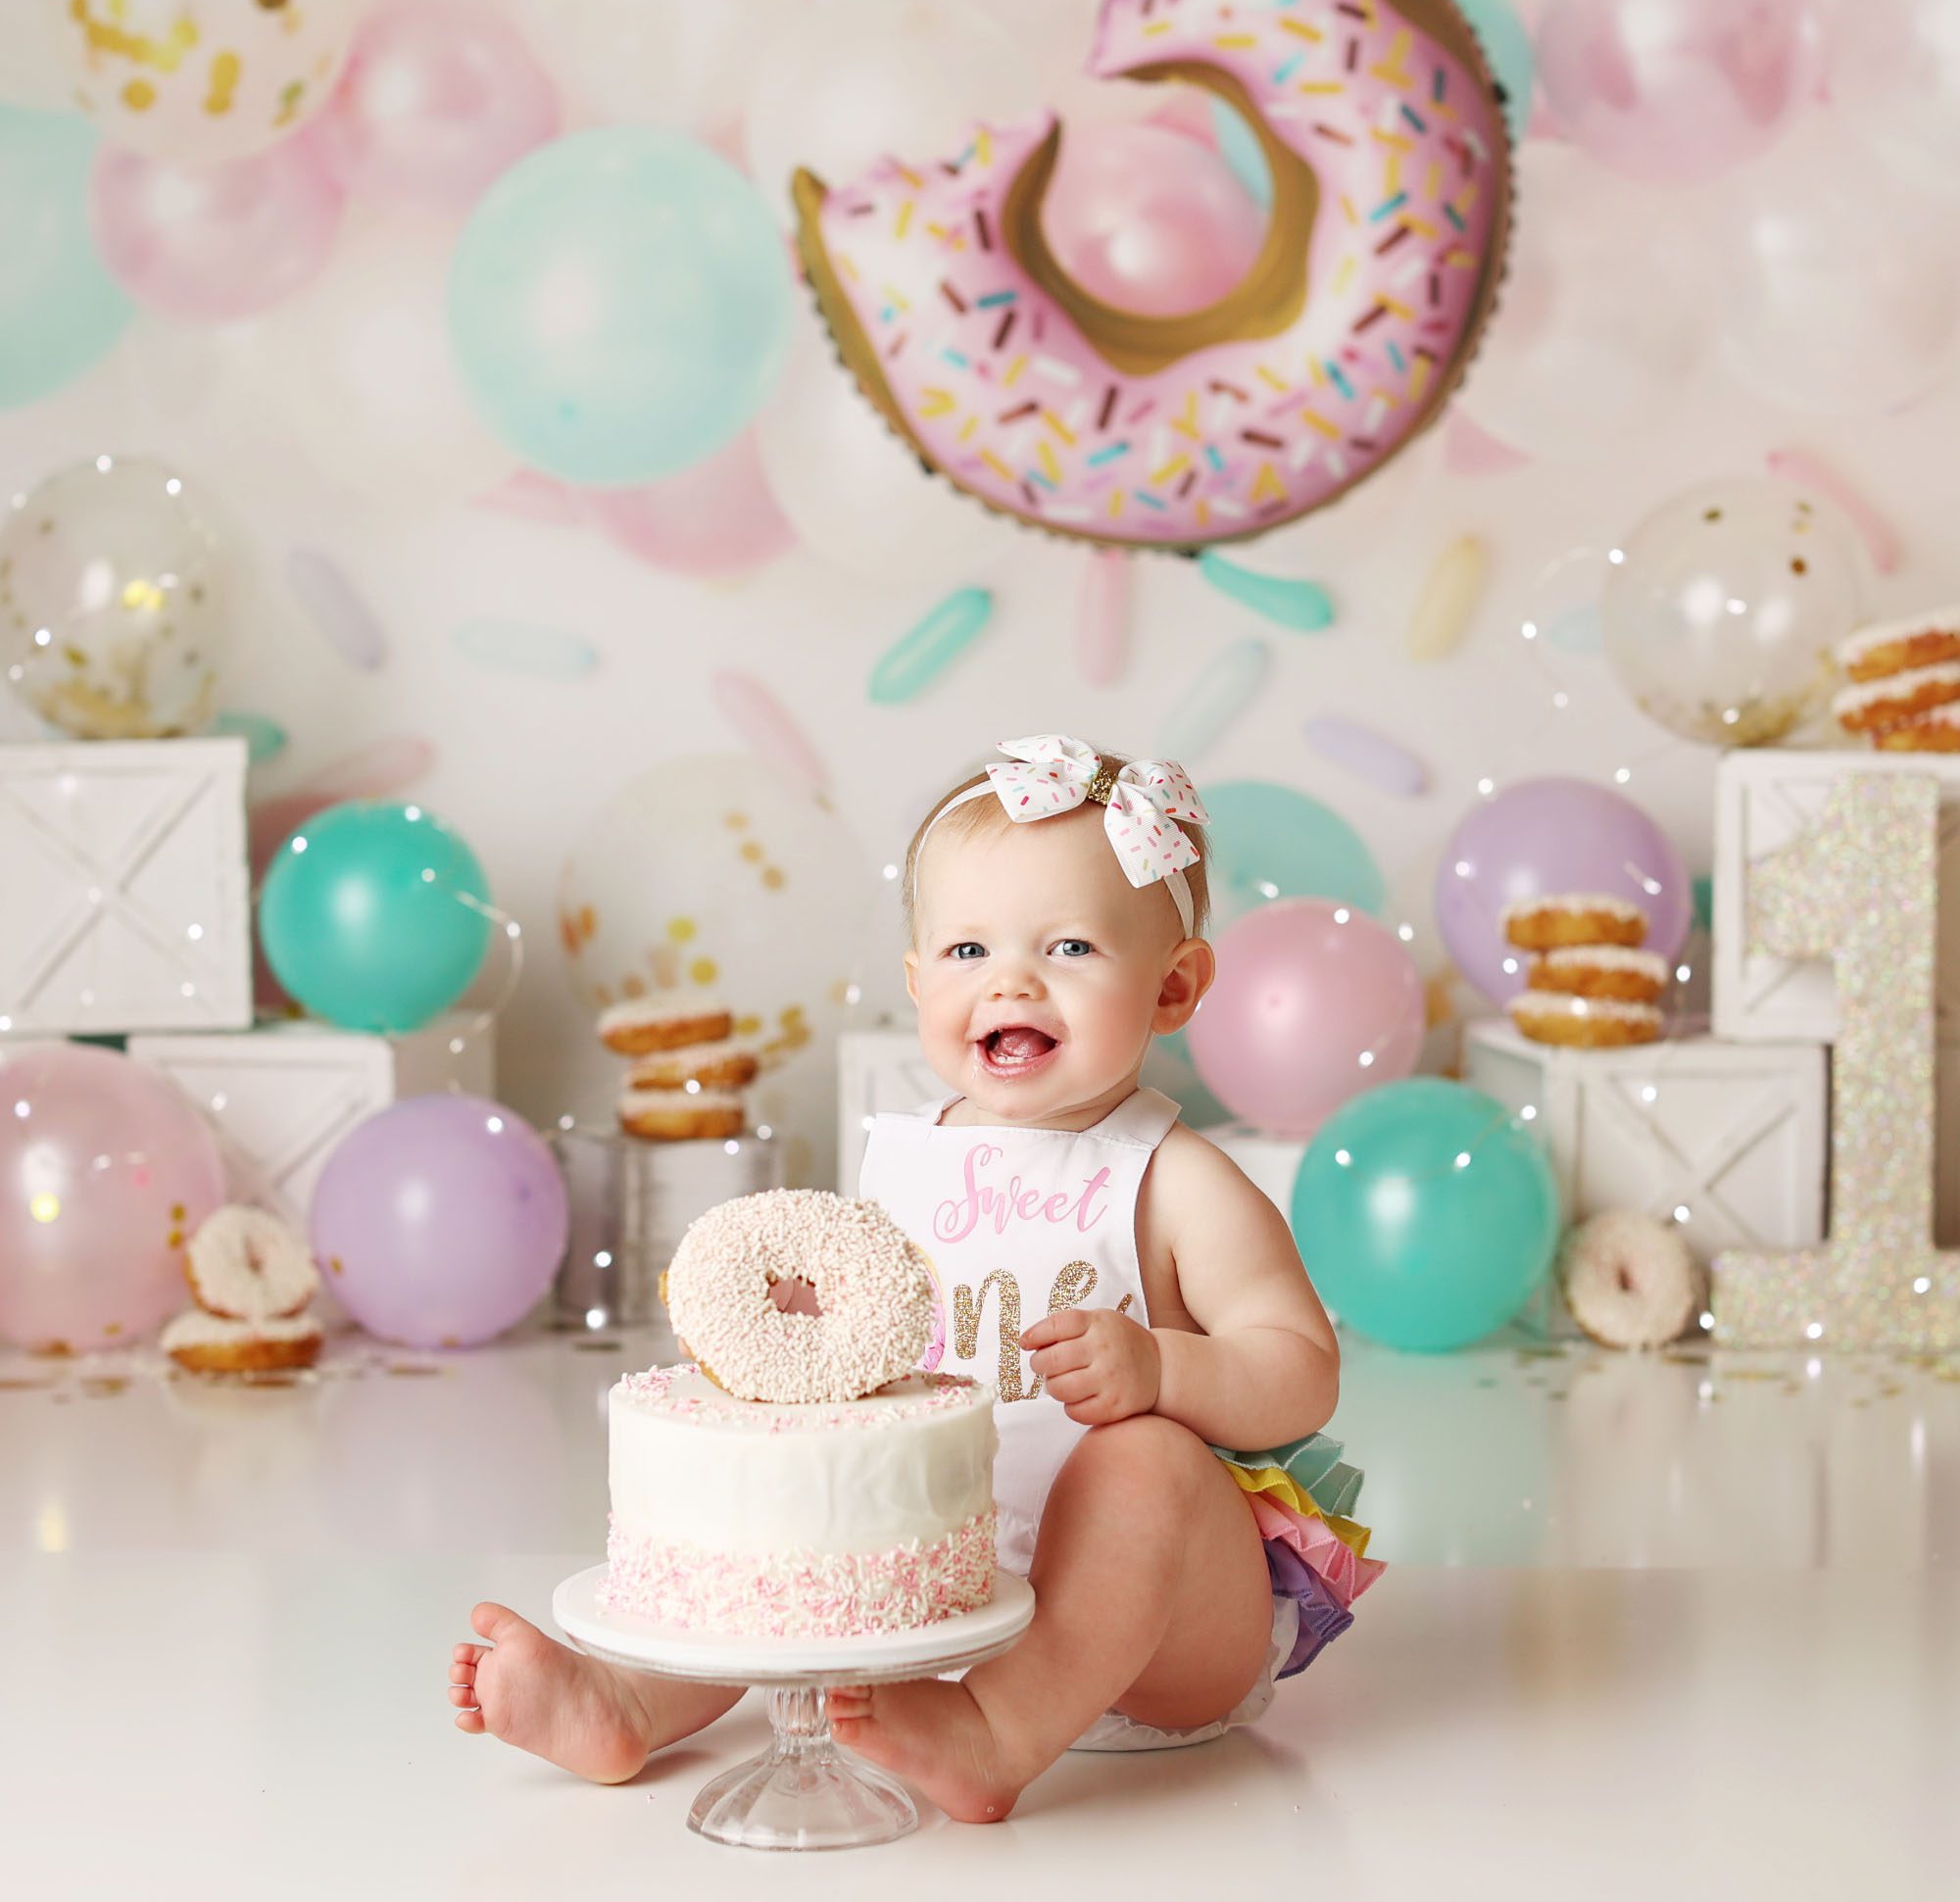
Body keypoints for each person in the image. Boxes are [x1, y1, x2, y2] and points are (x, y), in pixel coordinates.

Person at [447, 735, 1380, 1821]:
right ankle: (629, 1698)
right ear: (915, 980)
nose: (1009, 980)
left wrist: (1161, 1364)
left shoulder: (1176, 1178)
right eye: (967, 948)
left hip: (1156, 1634)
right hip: (928, 1597)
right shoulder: (905, 1160)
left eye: (1070, 944)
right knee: (795, 1502)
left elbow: (1298, 1370)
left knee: (1148, 1468)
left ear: (1173, 985)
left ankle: (999, 1730)